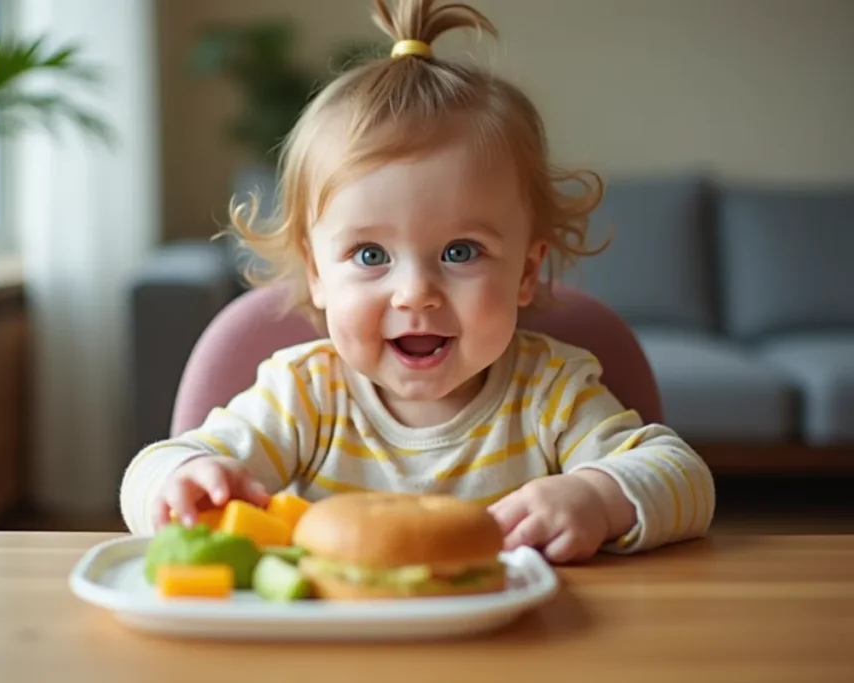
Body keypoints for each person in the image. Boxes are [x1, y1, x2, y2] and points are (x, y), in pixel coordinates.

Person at [121, 0, 715, 564]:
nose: (416, 293)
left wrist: (597, 497)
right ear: (316, 273)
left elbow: (685, 478)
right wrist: (181, 482)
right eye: (371, 253)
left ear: (526, 272)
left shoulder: (551, 393)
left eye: (461, 251)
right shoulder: (305, 397)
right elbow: (156, 470)